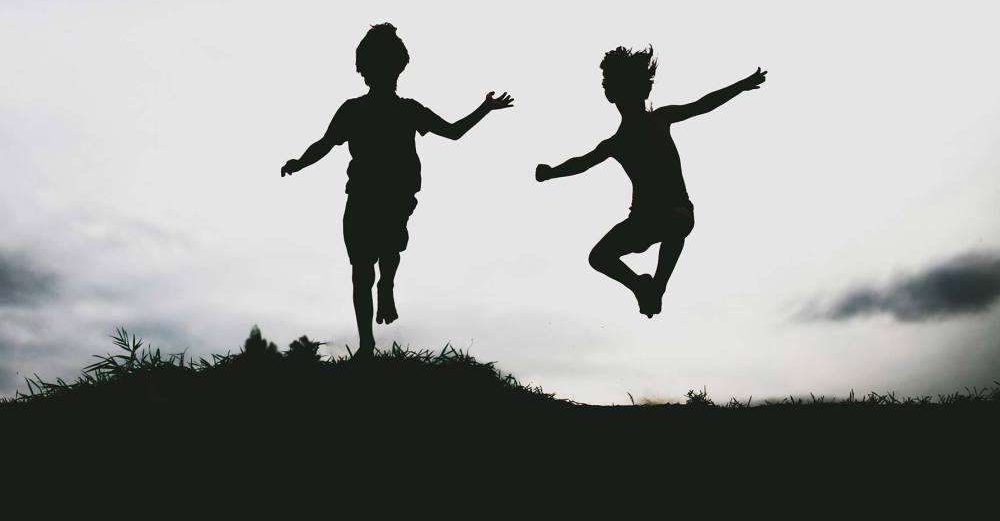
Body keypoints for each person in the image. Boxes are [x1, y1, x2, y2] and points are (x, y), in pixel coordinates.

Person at [282, 23, 514, 357]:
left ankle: (387, 283)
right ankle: (367, 343)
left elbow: (452, 132)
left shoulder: (408, 109)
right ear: (365, 71)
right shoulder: (353, 109)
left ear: (397, 69)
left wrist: (484, 109)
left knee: (385, 252)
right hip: (362, 196)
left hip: (395, 196)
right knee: (361, 270)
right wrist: (301, 162)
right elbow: (325, 143)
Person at [536, 46, 766, 317]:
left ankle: (658, 287)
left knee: (677, 222)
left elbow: (703, 104)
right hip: (642, 220)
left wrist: (740, 85)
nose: (628, 100)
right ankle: (640, 287)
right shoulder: (616, 143)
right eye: (621, 93)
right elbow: (581, 162)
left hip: (675, 211)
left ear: (644, 93)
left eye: (633, 92)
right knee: (598, 257)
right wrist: (552, 172)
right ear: (611, 96)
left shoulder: (661, 118)